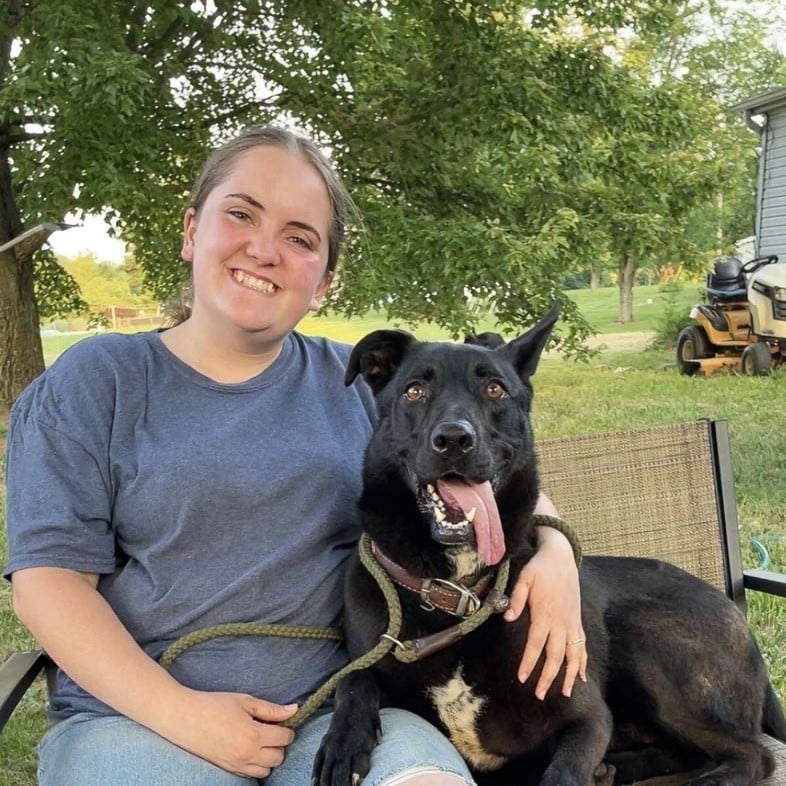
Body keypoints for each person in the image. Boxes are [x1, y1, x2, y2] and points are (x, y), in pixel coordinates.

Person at [4, 125, 586, 786]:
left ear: (325, 281)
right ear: (193, 230)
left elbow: (477, 464)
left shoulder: (371, 385)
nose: (265, 249)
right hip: (139, 722)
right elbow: (48, 587)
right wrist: (185, 716)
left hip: (342, 714)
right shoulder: (96, 382)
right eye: (241, 214)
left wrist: (556, 547)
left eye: (300, 238)